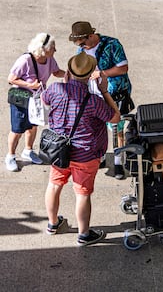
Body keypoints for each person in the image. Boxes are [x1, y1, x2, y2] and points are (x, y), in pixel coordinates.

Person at [42, 52, 120, 246]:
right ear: (90, 75)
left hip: (58, 150)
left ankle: (52, 224)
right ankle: (84, 234)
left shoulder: (55, 89)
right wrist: (104, 91)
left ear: (68, 71)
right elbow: (115, 118)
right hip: (85, 154)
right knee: (82, 193)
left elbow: (44, 100)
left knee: (54, 185)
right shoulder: (94, 100)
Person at [68, 21, 133, 180]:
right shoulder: (81, 49)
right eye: (79, 45)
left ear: (91, 36)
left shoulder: (112, 44)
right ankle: (101, 157)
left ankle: (118, 162)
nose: (83, 47)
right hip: (92, 95)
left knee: (117, 127)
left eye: (84, 43)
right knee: (96, 127)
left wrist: (101, 73)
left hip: (114, 94)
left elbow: (123, 67)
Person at [6, 33, 65, 172]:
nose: (55, 50)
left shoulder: (49, 59)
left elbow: (56, 72)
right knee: (17, 129)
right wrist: (29, 85)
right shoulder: (25, 60)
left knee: (33, 126)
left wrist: (71, 74)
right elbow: (11, 79)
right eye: (53, 47)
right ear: (43, 49)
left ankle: (28, 150)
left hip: (36, 100)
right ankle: (10, 156)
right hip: (21, 100)